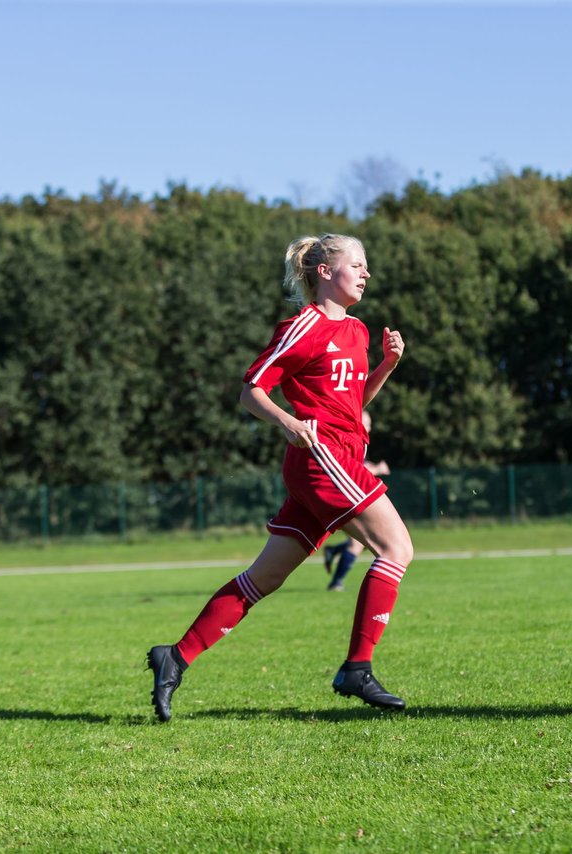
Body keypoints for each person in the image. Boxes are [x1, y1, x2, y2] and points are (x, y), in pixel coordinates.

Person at [147, 233, 413, 721]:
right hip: (322, 461)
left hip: (337, 459)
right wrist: (287, 422)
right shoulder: (303, 326)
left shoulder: (355, 331)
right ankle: (357, 667)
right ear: (326, 271)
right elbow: (252, 391)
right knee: (397, 548)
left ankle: (175, 656)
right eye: (358, 263)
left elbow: (354, 408)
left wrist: (388, 365)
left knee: (262, 579)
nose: (366, 272)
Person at [323, 410, 391, 592]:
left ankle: (334, 552)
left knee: (372, 540)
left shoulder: (358, 443)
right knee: (361, 543)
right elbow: (356, 471)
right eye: (366, 423)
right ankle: (336, 582)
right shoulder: (348, 439)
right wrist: (378, 468)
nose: (369, 427)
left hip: (348, 497)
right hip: (345, 499)